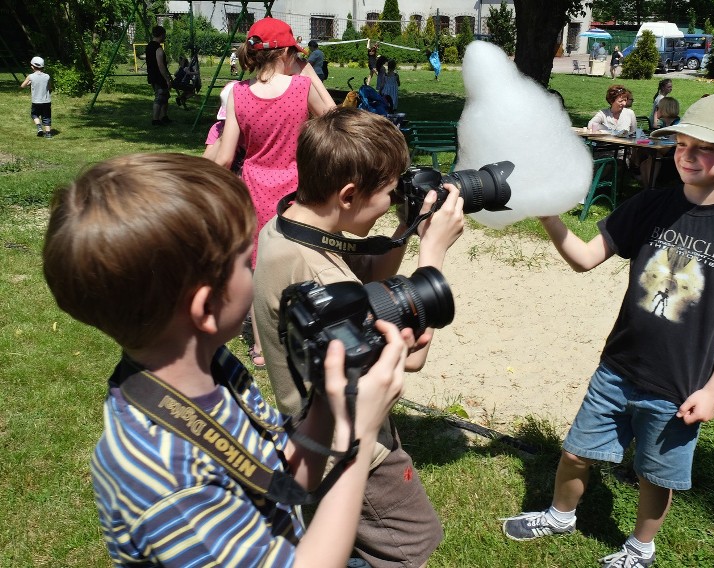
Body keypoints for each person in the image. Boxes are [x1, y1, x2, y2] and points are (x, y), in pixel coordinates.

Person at [42, 152, 410, 567]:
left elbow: (280, 478)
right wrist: (359, 439)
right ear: (207, 307)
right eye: (242, 261)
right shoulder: (167, 479)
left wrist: (329, 402)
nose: (252, 268)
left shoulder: (212, 370)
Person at [502, 94, 714, 567]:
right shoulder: (649, 204)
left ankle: (640, 548)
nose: (687, 154)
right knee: (576, 452)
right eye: (681, 143)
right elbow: (586, 258)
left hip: (678, 384)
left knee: (656, 475)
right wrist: (549, 217)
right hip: (618, 366)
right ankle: (560, 514)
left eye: (704, 147)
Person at [253, 106, 465, 568]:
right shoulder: (315, 272)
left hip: (317, 430)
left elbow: (365, 285)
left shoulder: (290, 226)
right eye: (389, 194)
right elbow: (406, 358)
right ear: (349, 195)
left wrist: (402, 230)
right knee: (408, 548)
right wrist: (432, 252)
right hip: (355, 451)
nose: (394, 200)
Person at [214, 16, 336, 370]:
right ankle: (307, 330)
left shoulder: (238, 94)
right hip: (296, 185)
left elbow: (224, 157)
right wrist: (306, 70)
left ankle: (261, 348)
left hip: (254, 185)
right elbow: (332, 116)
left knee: (259, 265)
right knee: (302, 257)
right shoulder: (300, 88)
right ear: (287, 52)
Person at [21, 56, 54, 138]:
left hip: (36, 101)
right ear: (42, 67)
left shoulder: (30, 76)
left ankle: (39, 127)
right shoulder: (47, 76)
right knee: (46, 116)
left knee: (34, 114)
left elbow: (22, 86)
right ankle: (48, 133)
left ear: (32, 66)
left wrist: (29, 83)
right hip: (46, 101)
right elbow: (50, 88)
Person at [146, 25, 172, 126]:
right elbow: (161, 65)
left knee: (165, 96)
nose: (165, 37)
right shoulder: (158, 48)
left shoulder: (149, 46)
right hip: (158, 77)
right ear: (161, 35)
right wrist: (167, 79)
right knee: (160, 97)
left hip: (152, 75)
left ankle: (164, 117)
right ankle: (155, 120)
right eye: (164, 35)